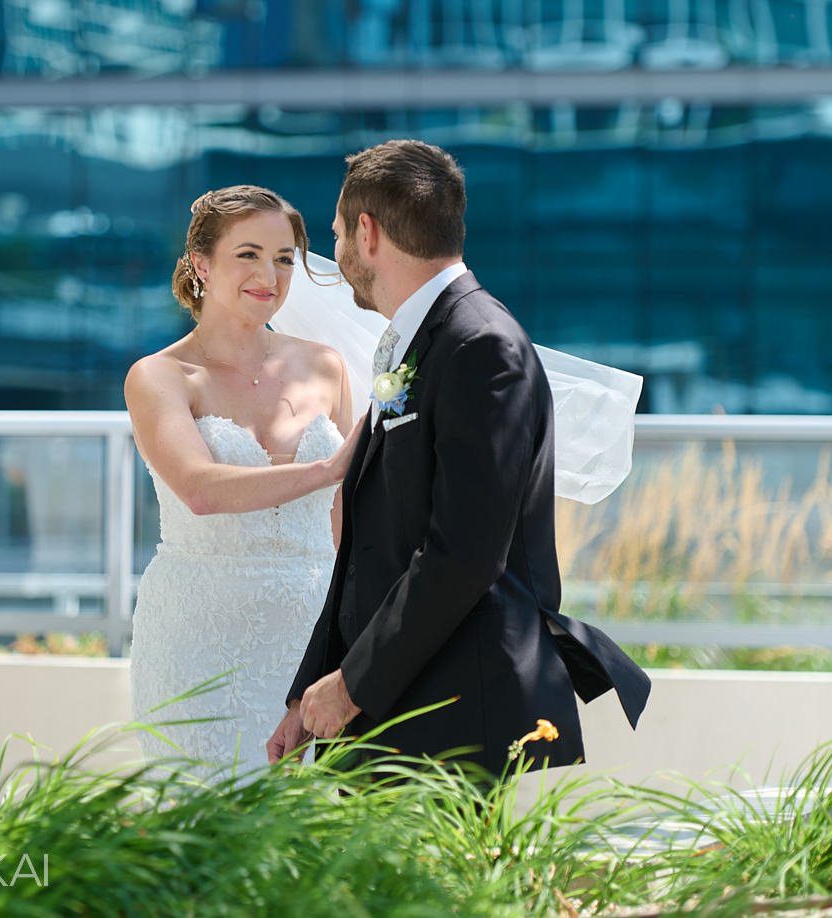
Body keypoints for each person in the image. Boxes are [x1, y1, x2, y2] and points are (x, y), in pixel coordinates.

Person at [268, 140, 651, 777]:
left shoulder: (482, 347)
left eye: (335, 236)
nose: (333, 255)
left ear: (368, 234)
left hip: (449, 713)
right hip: (397, 703)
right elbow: (373, 543)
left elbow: (464, 554)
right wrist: (309, 692)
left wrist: (352, 685)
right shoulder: (416, 340)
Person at [125, 185, 363, 774]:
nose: (271, 275)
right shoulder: (160, 376)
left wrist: (356, 643)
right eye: (249, 255)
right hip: (197, 639)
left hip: (311, 638)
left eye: (285, 259)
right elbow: (201, 489)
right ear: (202, 265)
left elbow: (350, 522)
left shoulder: (325, 366)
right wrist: (327, 469)